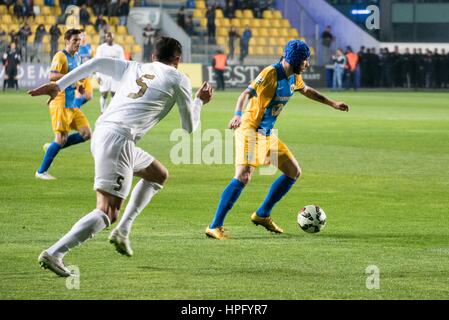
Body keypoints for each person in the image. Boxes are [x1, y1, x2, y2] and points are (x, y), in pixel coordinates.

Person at [29, 37, 213, 277]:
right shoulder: (179, 78)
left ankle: (123, 231)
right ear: (178, 60)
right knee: (107, 211)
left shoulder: (135, 67)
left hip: (105, 132)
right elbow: (189, 127)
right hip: (119, 140)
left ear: (153, 56)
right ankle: (56, 253)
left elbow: (96, 62)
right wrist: (199, 101)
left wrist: (59, 84)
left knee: (158, 174)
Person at [205, 40, 349, 240]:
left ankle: (262, 214)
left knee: (293, 172)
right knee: (243, 176)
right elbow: (245, 93)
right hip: (250, 129)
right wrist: (237, 114)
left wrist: (333, 104)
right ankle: (214, 226)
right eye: (305, 61)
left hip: (266, 133)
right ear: (296, 60)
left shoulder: (294, 77)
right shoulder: (270, 73)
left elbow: (308, 91)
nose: (307, 64)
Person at [34, 29, 92, 180]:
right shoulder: (60, 56)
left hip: (72, 103)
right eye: (75, 40)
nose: (78, 43)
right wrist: (71, 77)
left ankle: (52, 147)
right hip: (60, 102)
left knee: (86, 134)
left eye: (79, 40)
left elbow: (74, 78)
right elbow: (52, 76)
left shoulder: (78, 57)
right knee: (61, 139)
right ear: (66, 41)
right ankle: (41, 172)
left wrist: (78, 84)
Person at [95, 32, 125, 114]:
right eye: (107, 37)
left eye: (111, 37)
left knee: (114, 94)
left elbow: (123, 61)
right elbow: (97, 62)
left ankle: (110, 111)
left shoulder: (119, 48)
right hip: (104, 74)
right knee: (104, 93)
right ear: (105, 38)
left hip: (115, 74)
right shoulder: (101, 48)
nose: (109, 38)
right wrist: (98, 75)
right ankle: (102, 111)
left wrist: (122, 74)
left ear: (113, 38)